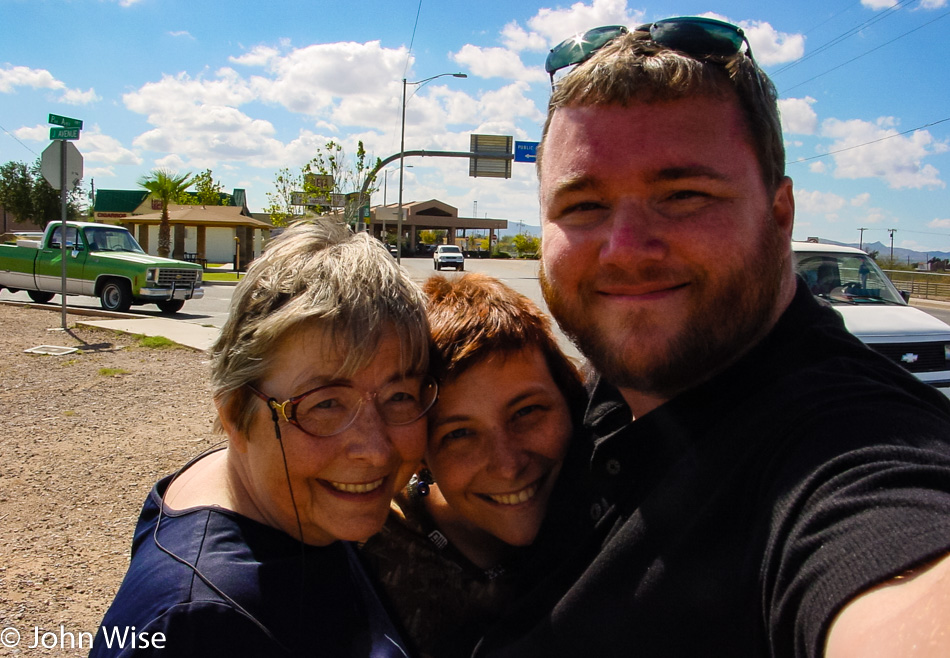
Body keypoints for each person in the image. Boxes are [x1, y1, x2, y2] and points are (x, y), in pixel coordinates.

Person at [473, 17, 950, 658]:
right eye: (583, 206)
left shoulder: (844, 445)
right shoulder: (596, 395)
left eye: (684, 195)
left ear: (779, 216)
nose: (626, 251)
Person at [91, 220, 436, 657]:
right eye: (325, 404)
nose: (376, 449)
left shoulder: (273, 498)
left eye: (400, 396)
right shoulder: (202, 627)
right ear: (235, 412)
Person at [362, 273, 586, 658]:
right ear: (419, 456)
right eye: (460, 434)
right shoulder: (368, 563)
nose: (507, 465)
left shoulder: (611, 503)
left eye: (527, 411)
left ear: (572, 401)